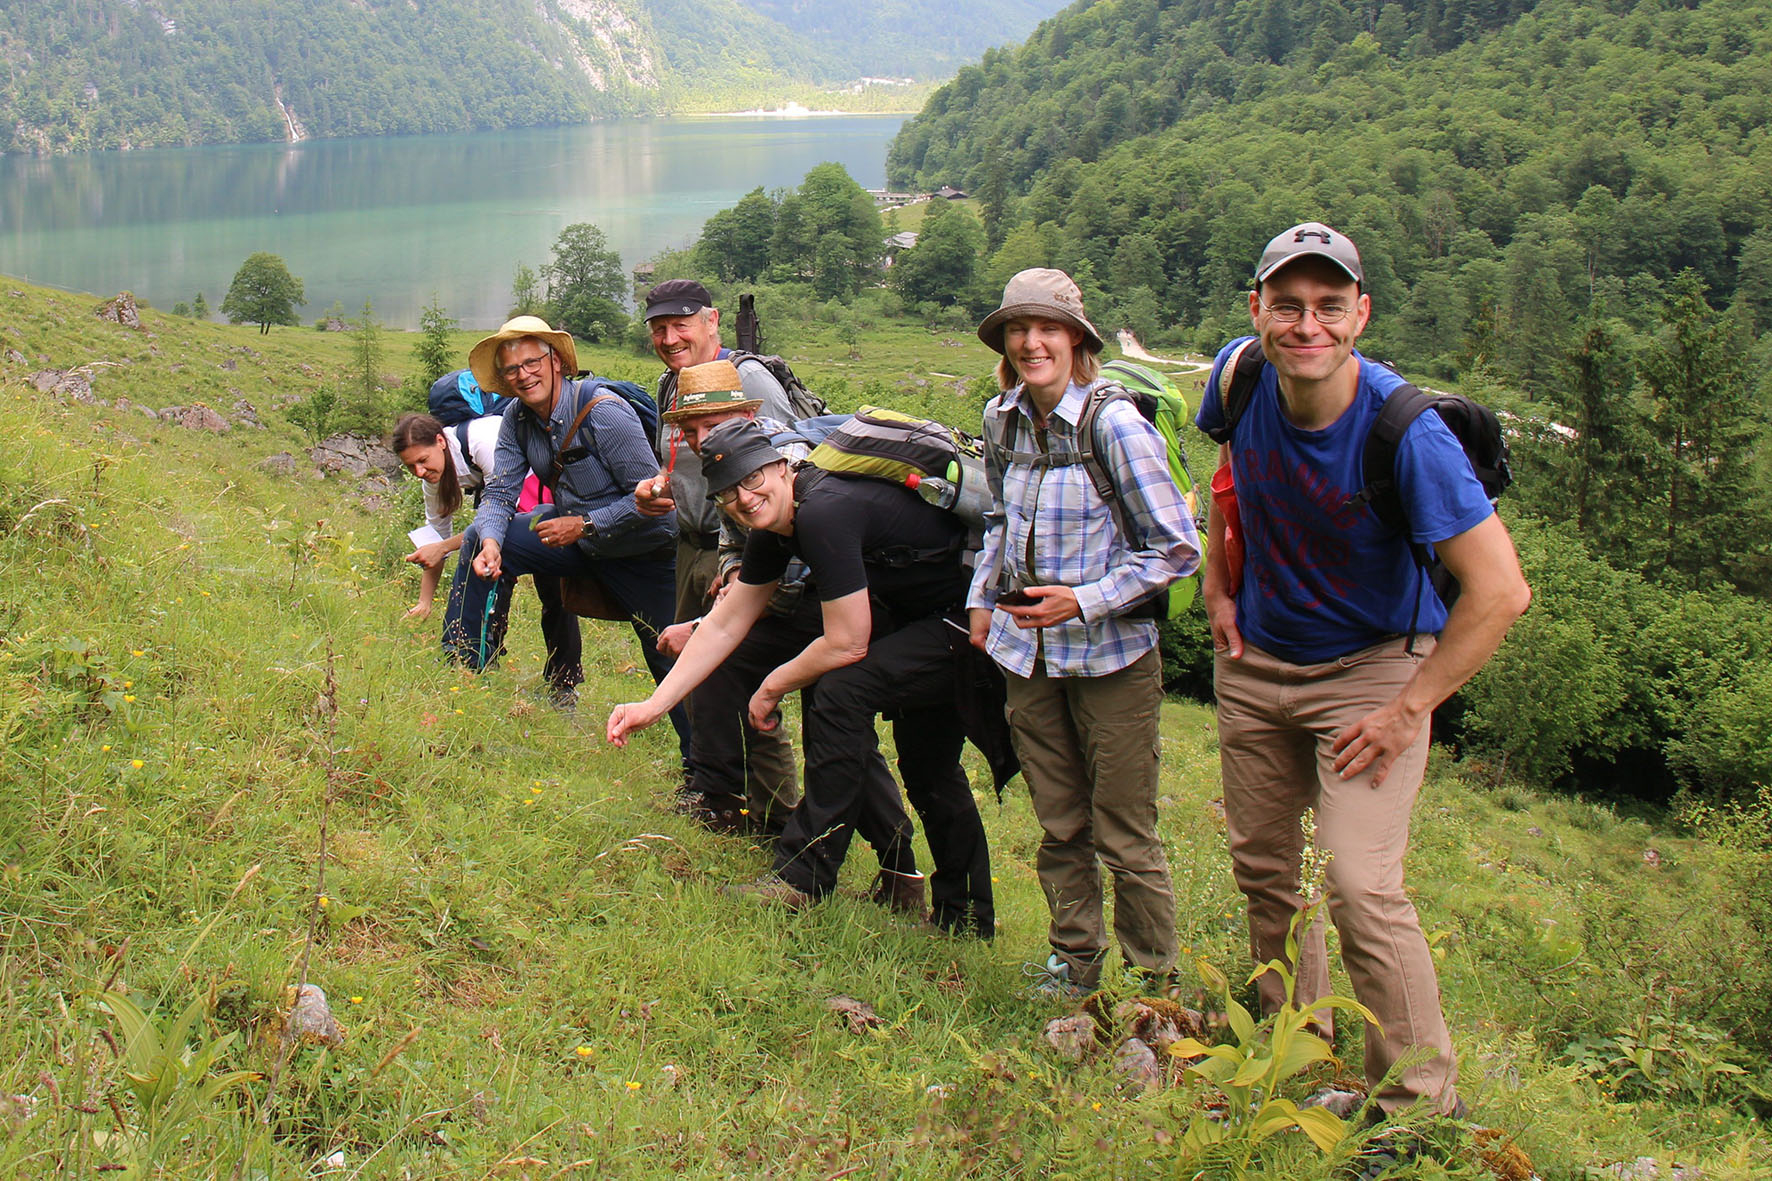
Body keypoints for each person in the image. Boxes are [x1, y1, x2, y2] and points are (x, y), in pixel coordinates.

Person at [1195, 222, 1530, 1120]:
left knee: (1360, 884)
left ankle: (1419, 1104)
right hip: (1257, 658)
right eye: (1289, 305)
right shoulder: (1241, 375)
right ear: (1257, 310)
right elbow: (1227, 475)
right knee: (1264, 863)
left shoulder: (1408, 434)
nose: (1308, 325)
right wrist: (1218, 584)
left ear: (1361, 315)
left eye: (1330, 307)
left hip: (1374, 672)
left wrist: (1407, 707)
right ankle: (1287, 1034)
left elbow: (1499, 591)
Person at [608, 418, 1001, 937]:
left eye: (753, 480)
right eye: (728, 493)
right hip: (922, 620)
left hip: (965, 620)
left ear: (781, 466)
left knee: (844, 694)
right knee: (926, 764)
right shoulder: (775, 525)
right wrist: (651, 707)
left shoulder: (825, 510)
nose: (745, 499)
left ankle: (807, 879)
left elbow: (848, 641)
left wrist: (770, 688)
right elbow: (727, 624)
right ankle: (964, 919)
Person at [965, 269, 1200, 997]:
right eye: (1018, 329)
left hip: (1111, 659)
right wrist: (981, 597)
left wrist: (1085, 600)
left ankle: (1156, 985)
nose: (1032, 342)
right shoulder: (1000, 417)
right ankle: (1075, 967)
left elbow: (1175, 547)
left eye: (1047, 328)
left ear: (1076, 339)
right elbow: (1000, 518)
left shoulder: (1114, 424)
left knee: (1126, 832)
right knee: (1060, 822)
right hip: (1026, 658)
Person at [439, 316, 690, 766]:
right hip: (576, 538)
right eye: (512, 369)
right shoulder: (516, 417)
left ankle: (709, 776)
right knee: (480, 537)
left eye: (532, 362)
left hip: (644, 550)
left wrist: (586, 525)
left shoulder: (605, 413)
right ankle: (463, 673)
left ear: (556, 362)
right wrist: (495, 540)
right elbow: (500, 491)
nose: (523, 375)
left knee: (670, 654)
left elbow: (658, 499)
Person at [635, 279, 799, 818]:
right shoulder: (672, 384)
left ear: (712, 321)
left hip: (745, 547)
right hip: (695, 543)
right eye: (659, 328)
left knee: (741, 670)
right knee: (702, 672)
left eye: (681, 324)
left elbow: (784, 462)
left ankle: (772, 808)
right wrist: (656, 490)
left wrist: (744, 560)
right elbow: (681, 459)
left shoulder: (748, 379)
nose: (670, 337)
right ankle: (715, 789)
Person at [392, 411, 582, 699]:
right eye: (410, 467)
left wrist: (444, 548)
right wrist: (424, 601)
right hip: (515, 507)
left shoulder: (485, 442)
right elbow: (436, 539)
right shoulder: (433, 477)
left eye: (422, 461)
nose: (419, 471)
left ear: (441, 442)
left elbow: (502, 512)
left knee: (554, 590)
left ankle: (563, 683)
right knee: (490, 570)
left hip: (548, 498)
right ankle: (474, 665)